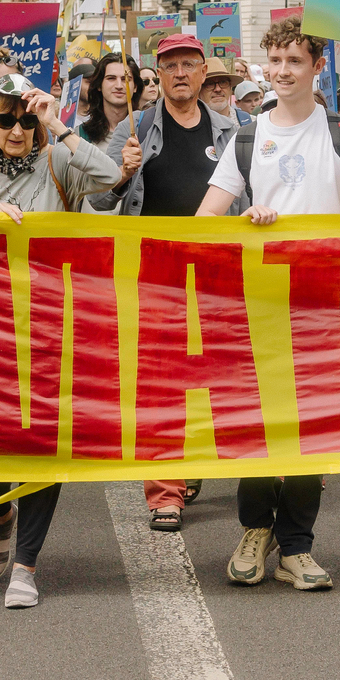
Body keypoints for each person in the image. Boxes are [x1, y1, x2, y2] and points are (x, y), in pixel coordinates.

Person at [198, 17, 340, 593]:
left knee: (316, 425)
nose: (283, 72)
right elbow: (204, 222)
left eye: (295, 62)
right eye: (276, 62)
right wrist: (243, 220)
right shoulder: (245, 136)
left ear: (316, 68)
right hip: (260, 305)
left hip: (326, 307)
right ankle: (254, 530)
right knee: (258, 423)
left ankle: (298, 546)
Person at [0, 80, 123, 608]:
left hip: (50, 326)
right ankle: (1, 512)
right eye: (5, 120)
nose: (17, 130)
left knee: (44, 440)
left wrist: (61, 125)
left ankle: (27, 563)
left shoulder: (57, 163)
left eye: (27, 120)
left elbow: (111, 177)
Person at [87, 34, 238, 531]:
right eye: (169, 65)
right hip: (155, 271)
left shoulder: (235, 128)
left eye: (188, 65)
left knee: (222, 375)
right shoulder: (134, 127)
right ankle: (165, 493)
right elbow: (101, 200)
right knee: (160, 382)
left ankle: (206, 463)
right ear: (156, 75)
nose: (179, 73)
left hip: (220, 271)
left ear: (202, 73)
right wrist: (121, 175)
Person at [77, 51, 134, 146]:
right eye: (111, 78)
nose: (119, 86)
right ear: (99, 85)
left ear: (135, 86)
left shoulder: (149, 131)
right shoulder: (81, 135)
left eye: (125, 79)